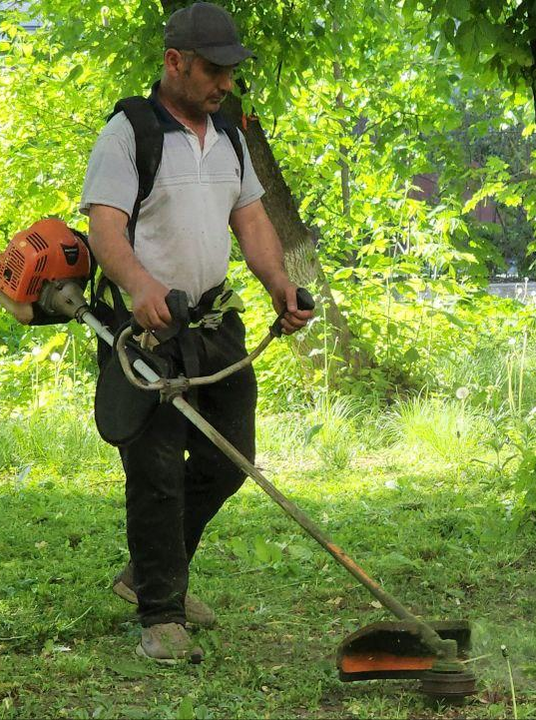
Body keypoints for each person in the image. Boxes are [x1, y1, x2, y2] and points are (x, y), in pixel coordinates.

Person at [79, 1, 313, 663]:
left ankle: (149, 575)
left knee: (230, 455)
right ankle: (160, 613)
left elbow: (253, 221)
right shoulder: (129, 133)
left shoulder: (230, 133)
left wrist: (278, 285)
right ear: (174, 62)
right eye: (214, 70)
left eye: (231, 72)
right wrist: (139, 284)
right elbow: (104, 227)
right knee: (155, 473)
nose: (225, 84)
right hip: (145, 333)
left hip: (214, 321)